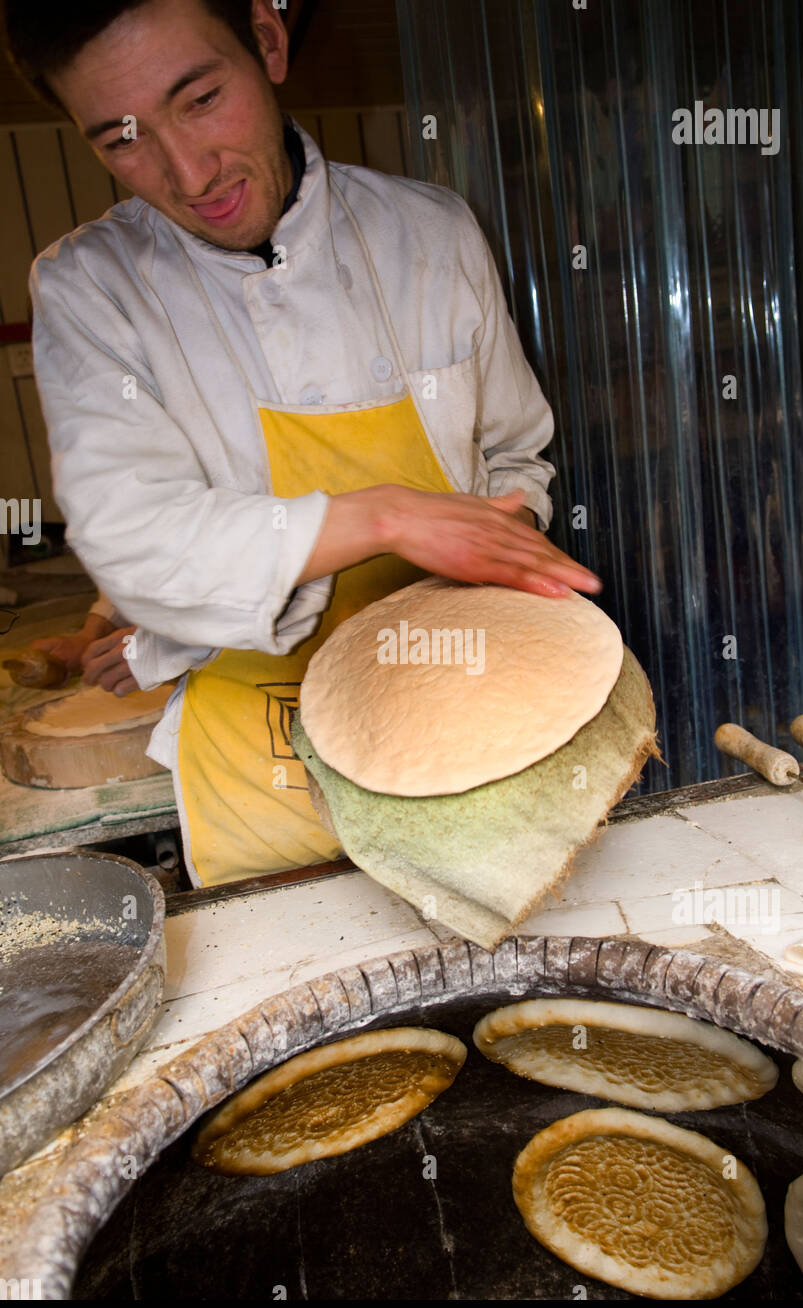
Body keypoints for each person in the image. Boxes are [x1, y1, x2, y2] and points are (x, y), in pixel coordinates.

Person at [5, 0, 601, 887]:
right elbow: (135, 542)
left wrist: (493, 552)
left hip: (469, 714)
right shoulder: (91, 289)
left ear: (269, 44)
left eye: (202, 98)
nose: (187, 171)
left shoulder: (431, 233)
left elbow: (517, 456)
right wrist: (388, 517)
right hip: (262, 769)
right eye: (122, 139)